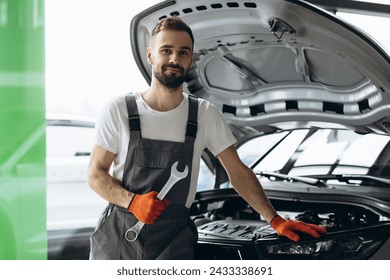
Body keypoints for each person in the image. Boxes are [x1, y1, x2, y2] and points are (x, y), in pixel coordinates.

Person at [87, 16, 327, 260]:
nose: (174, 59)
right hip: (118, 239)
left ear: (191, 59)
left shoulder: (202, 114)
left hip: (173, 243)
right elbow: (96, 174)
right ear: (150, 55)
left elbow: (238, 172)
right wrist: (132, 202)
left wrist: (274, 220)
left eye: (183, 52)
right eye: (166, 51)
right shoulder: (119, 110)